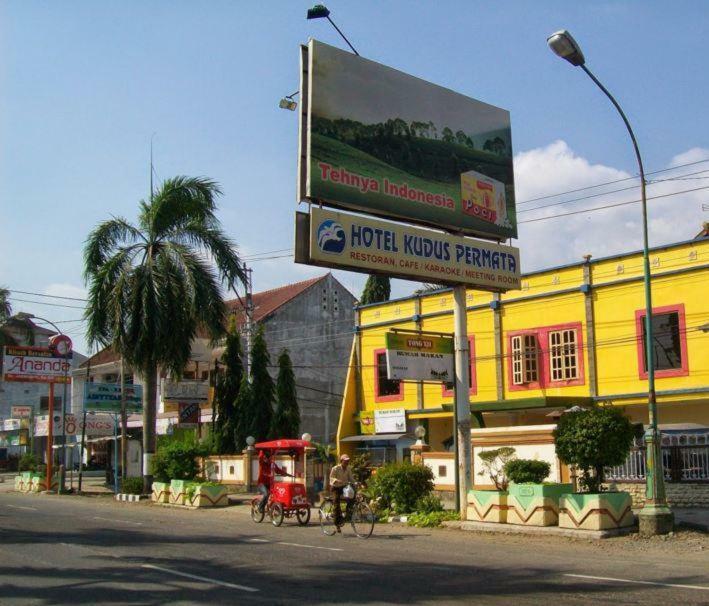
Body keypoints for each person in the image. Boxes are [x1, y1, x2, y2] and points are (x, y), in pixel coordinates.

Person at [329, 454, 355, 531]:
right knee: (336, 503)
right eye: (345, 461)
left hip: (344, 488)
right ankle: (337, 523)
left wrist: (356, 483)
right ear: (341, 461)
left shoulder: (348, 469)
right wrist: (336, 480)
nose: (347, 462)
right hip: (336, 488)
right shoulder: (335, 468)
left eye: (348, 461)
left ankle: (347, 515)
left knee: (352, 498)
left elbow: (351, 478)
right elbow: (331, 478)